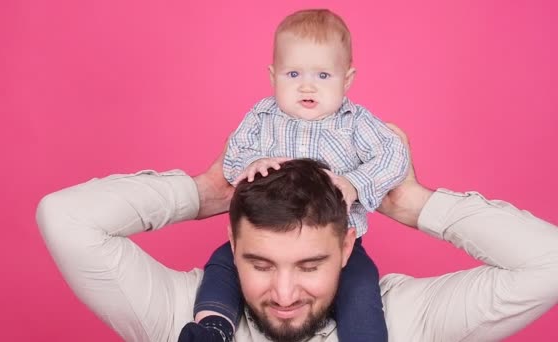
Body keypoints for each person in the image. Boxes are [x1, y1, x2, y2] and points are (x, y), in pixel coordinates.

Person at [36, 124, 558, 341]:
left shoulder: (404, 319)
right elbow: (65, 217)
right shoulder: (183, 315)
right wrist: (205, 192)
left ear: (348, 245)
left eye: (310, 265)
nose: (284, 295)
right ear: (233, 247)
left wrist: (409, 201)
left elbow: (549, 263)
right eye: (260, 264)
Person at [190, 9, 408, 341]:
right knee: (223, 266)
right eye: (293, 74)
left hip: (332, 236)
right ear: (272, 75)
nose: (307, 86)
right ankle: (213, 328)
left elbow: (394, 155)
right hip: (267, 230)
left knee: (361, 285)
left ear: (346, 80)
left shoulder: (355, 122)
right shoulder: (262, 116)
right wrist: (252, 163)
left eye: (323, 76)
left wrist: (357, 182)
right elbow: (234, 153)